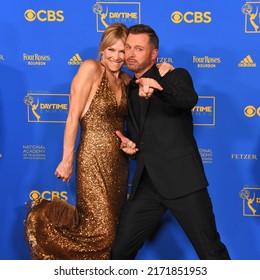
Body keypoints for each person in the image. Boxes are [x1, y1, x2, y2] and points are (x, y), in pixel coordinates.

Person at [24, 23, 173, 260]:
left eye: (122, 51)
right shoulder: (91, 69)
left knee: (112, 233)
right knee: (100, 232)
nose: (116, 57)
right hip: (92, 159)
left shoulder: (126, 79)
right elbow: (73, 115)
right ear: (102, 49)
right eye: (110, 50)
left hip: (119, 163)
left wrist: (165, 69)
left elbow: (149, 83)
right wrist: (67, 159)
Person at [111, 24, 231, 260]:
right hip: (147, 184)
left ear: (153, 54)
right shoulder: (129, 89)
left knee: (211, 252)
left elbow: (188, 99)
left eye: (139, 48)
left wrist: (159, 87)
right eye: (128, 48)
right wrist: (130, 147)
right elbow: (144, 134)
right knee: (120, 253)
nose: (131, 54)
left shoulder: (173, 75)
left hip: (184, 182)